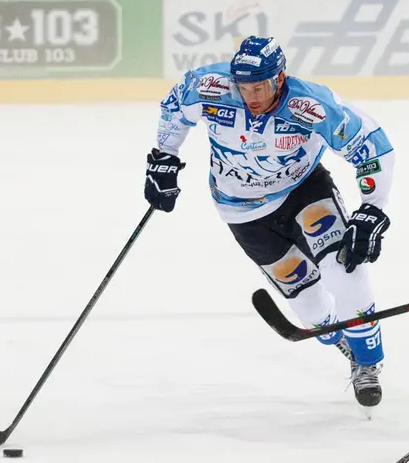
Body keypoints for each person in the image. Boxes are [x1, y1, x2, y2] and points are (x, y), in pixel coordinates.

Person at [144, 36, 396, 409]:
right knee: (310, 308)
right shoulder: (210, 86)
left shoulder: (310, 104)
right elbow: (174, 108)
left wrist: (372, 208)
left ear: (280, 77)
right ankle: (337, 336)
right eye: (244, 87)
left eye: (259, 86)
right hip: (240, 210)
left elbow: (372, 145)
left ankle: (367, 362)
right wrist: (164, 157)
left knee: (345, 272)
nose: (250, 96)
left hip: (304, 192)